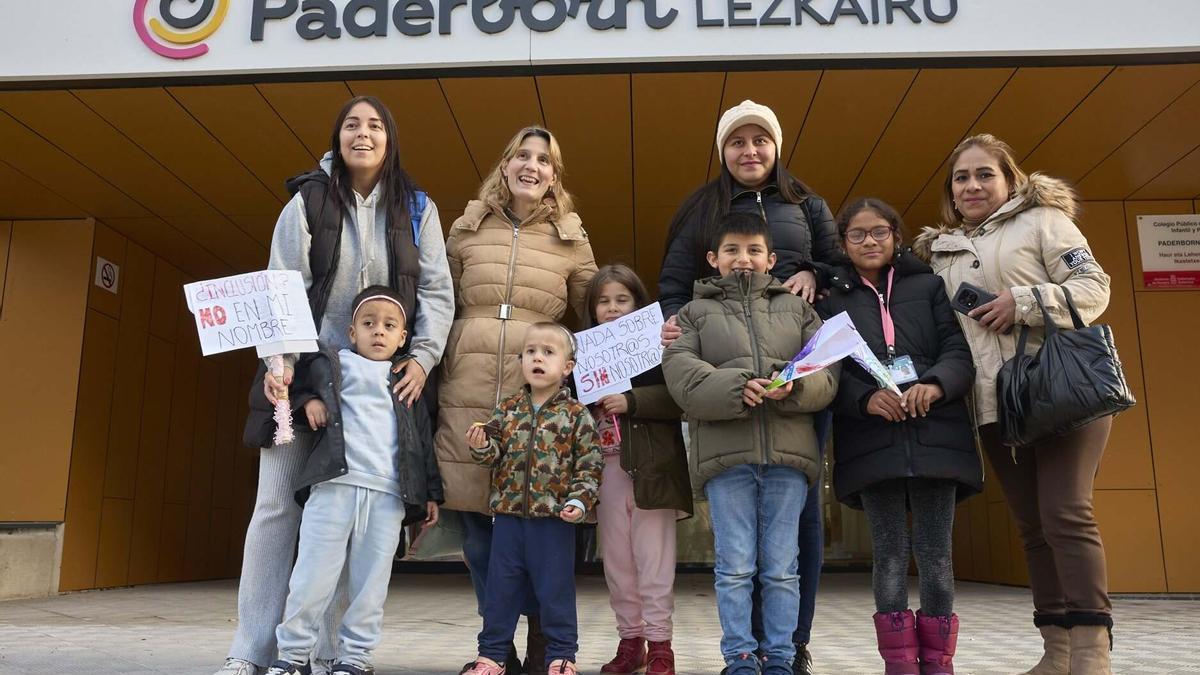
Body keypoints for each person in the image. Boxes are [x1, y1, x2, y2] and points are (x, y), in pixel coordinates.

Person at [217, 95, 454, 675]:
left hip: (379, 390)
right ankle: (252, 652)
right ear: (337, 137)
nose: (363, 133)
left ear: (390, 139)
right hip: (305, 378)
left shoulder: (419, 208)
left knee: (356, 513)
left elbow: (438, 294)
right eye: (352, 124)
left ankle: (329, 655)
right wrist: (280, 364)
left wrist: (421, 358)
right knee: (276, 509)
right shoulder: (307, 201)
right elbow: (282, 285)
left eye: (375, 125)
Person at [913, 134, 1113, 675]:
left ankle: (1094, 649)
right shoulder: (938, 253)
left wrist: (1023, 301)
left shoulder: (1044, 222)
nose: (973, 185)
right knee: (1031, 525)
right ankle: (1057, 649)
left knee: (1066, 513)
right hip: (993, 404)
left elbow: (1095, 287)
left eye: (985, 174)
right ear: (951, 192)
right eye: (961, 178)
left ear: (1010, 179)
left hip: (1063, 390)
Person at [658, 101, 839, 674]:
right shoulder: (700, 209)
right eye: (738, 141)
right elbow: (673, 281)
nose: (750, 150)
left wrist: (815, 273)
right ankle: (743, 650)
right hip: (727, 399)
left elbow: (838, 264)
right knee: (738, 555)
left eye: (761, 140)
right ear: (723, 151)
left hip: (792, 384)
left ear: (776, 147)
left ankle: (789, 645)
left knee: (796, 533)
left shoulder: (806, 204)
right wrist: (672, 320)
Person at [437, 126, 598, 673]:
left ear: (555, 176)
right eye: (522, 156)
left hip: (537, 396)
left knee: (538, 542)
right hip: (467, 388)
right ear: (505, 166)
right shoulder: (465, 230)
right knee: (480, 535)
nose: (532, 166)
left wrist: (646, 339)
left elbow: (596, 312)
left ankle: (541, 645)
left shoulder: (571, 240)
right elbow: (437, 303)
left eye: (544, 160)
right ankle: (495, 642)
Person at [817, 199, 981, 675]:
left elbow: (958, 350)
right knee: (888, 555)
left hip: (937, 438)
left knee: (936, 556)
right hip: (873, 443)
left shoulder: (928, 285)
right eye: (857, 235)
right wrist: (863, 399)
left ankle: (938, 663)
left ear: (896, 236)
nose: (870, 241)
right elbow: (827, 370)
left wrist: (936, 384)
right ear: (843, 244)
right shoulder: (832, 298)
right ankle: (900, 664)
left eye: (880, 232)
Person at [263, 287, 442, 675]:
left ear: (403, 337)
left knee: (370, 585)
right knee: (311, 576)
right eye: (369, 323)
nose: (378, 331)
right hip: (333, 487)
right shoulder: (331, 364)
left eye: (389, 325)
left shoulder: (407, 379)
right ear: (351, 332)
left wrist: (431, 492)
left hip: (388, 495)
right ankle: (291, 657)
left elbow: (422, 440)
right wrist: (307, 402)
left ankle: (355, 659)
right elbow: (296, 386)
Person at [460, 322, 604, 675]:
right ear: (521, 360)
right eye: (530, 352)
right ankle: (492, 656)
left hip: (554, 521)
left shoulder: (575, 415)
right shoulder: (508, 408)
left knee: (555, 591)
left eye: (548, 352)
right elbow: (492, 453)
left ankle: (561, 656)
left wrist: (581, 501)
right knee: (501, 591)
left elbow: (590, 464)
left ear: (567, 367)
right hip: (508, 519)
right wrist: (482, 446)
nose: (537, 358)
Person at [583, 265, 693, 675]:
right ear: (592, 310)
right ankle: (631, 642)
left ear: (638, 304)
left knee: (655, 562)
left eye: (622, 300)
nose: (612, 309)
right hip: (604, 472)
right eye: (603, 301)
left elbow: (682, 397)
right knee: (617, 564)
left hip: (653, 471)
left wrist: (632, 401)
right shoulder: (582, 356)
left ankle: (661, 645)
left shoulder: (665, 347)